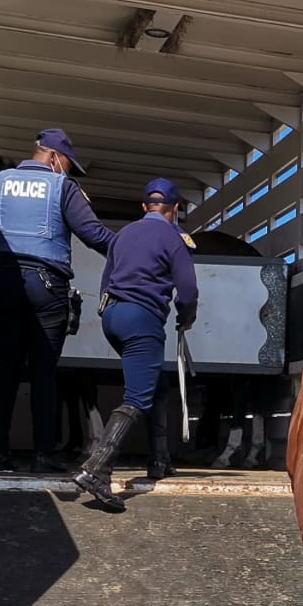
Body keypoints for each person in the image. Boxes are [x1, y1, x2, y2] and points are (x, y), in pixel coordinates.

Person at [0, 127, 113, 475]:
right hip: (46, 286)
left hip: (5, 282)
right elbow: (93, 234)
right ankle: (44, 453)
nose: (69, 171)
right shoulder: (62, 187)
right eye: (69, 164)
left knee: (8, 370)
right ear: (55, 157)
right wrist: (133, 247)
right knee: (44, 373)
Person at [73, 178, 199, 512]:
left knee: (155, 382)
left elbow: (106, 279)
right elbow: (187, 289)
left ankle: (159, 459)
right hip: (143, 320)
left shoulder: (124, 234)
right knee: (137, 396)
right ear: (174, 210)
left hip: (113, 317)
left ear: (145, 207)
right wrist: (186, 317)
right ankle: (96, 470)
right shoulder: (173, 237)